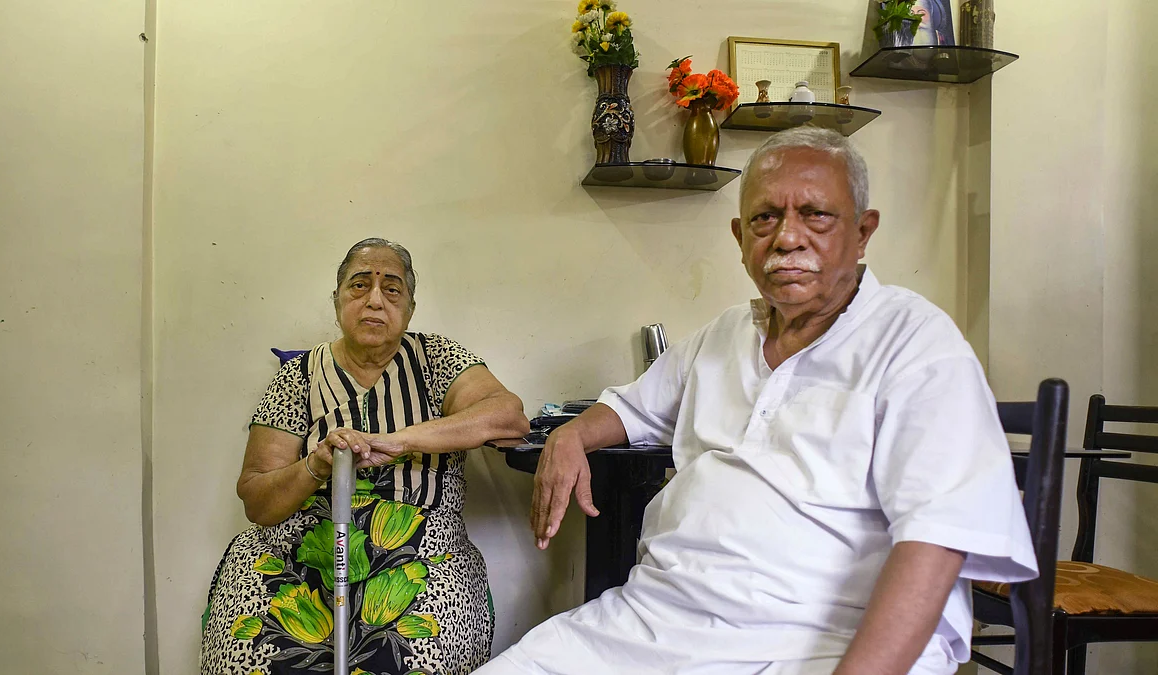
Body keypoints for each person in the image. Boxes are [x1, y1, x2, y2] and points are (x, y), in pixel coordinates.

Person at [477, 128, 1037, 675]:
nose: (787, 237)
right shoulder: (725, 334)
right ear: (740, 238)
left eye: (816, 214)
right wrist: (571, 435)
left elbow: (936, 543)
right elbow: (630, 409)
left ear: (863, 233)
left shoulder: (914, 342)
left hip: (821, 640)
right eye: (765, 218)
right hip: (657, 622)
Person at [201, 238, 530, 675]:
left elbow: (508, 417)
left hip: (420, 556)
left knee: (404, 660)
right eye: (359, 285)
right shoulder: (298, 376)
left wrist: (402, 440)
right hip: (296, 554)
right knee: (259, 658)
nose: (375, 299)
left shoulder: (438, 359)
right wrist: (313, 465)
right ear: (337, 301)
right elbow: (257, 500)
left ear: (410, 308)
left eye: (392, 289)